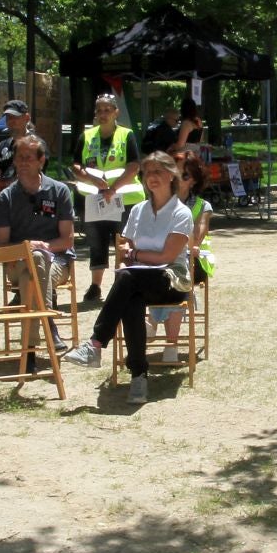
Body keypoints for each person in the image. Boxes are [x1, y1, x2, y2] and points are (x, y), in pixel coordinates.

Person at [62, 153, 194, 405]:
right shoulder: (138, 210)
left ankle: (96, 343)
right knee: (129, 295)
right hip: (138, 278)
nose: (152, 177)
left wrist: (134, 255)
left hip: (171, 281)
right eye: (147, 172)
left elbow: (166, 255)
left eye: (157, 171)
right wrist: (130, 258)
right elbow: (125, 251)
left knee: (127, 280)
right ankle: (138, 376)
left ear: (170, 175)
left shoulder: (181, 212)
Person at [0, 132, 78, 364]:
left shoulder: (59, 191)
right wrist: (26, 248)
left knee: (37, 265)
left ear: (41, 161)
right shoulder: (6, 197)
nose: (22, 163)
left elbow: (67, 240)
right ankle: (48, 323)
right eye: (19, 158)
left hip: (57, 261)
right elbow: (1, 245)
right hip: (16, 262)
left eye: (29, 158)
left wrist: (42, 247)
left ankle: (29, 350)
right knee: (34, 262)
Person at [71, 92, 140, 305]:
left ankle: (124, 282)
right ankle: (95, 285)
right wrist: (94, 182)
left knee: (123, 242)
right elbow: (75, 165)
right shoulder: (87, 135)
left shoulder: (126, 135)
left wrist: (113, 188)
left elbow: (133, 165)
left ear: (115, 112)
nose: (103, 114)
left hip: (123, 199)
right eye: (99, 110)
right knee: (97, 242)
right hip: (94, 199)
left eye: (107, 110)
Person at [154, 152, 215, 363]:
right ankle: (158, 329)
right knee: (158, 270)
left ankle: (168, 339)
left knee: (175, 271)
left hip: (193, 263)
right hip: (161, 261)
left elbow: (197, 238)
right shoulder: (156, 202)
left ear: (194, 180)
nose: (179, 179)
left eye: (185, 175)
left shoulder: (202, 206)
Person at [0, 98, 31, 195]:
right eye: (8, 117)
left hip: (27, 203)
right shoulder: (2, 146)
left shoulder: (35, 145)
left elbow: (32, 176)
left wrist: (1, 183)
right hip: (4, 202)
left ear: (27, 118)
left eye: (15, 117)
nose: (11, 121)